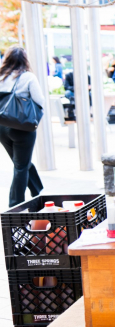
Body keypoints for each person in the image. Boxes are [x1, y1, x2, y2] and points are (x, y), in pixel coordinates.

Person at [0, 46, 45, 207]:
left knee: (21, 163)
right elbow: (39, 101)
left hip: (2, 127)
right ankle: (15, 204)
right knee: (21, 166)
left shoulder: (0, 76)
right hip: (22, 128)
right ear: (24, 60)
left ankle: (38, 191)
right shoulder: (28, 77)